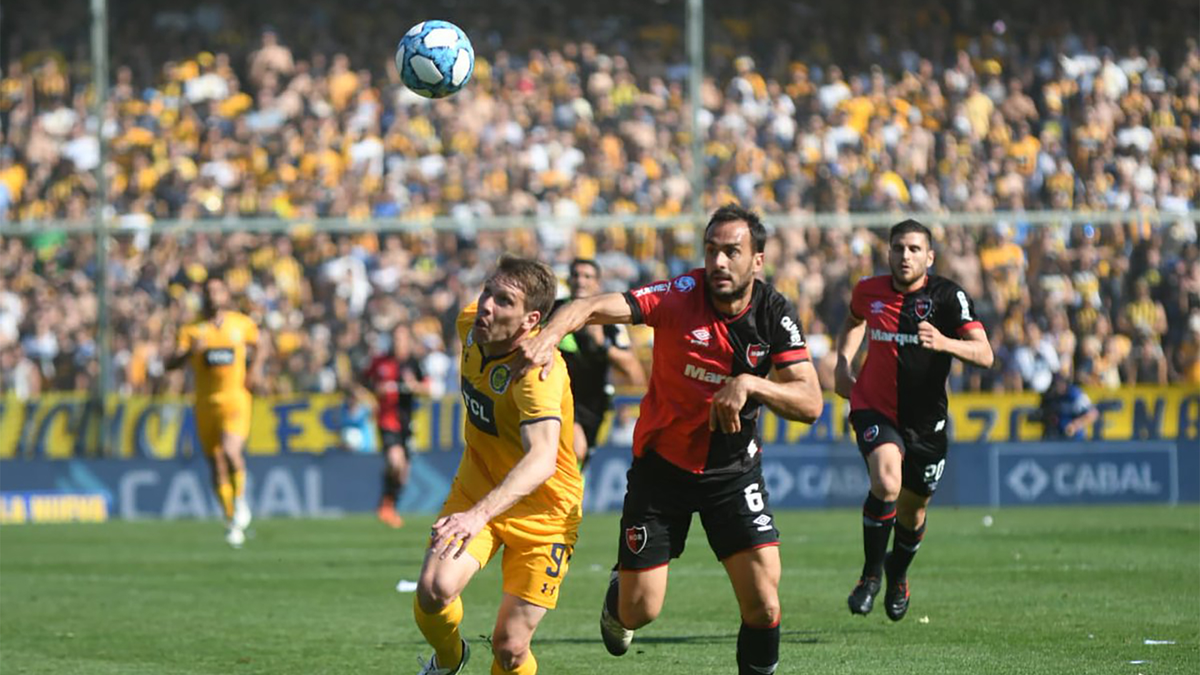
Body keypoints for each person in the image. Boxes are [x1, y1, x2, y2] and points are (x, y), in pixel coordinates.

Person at [520, 204, 823, 675]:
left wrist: (750, 384)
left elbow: (811, 403)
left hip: (733, 472)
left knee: (763, 603)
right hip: (661, 471)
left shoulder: (774, 314)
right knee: (640, 611)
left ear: (757, 261)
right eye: (711, 251)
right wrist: (551, 331)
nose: (718, 262)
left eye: (731, 252)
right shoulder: (680, 293)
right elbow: (592, 306)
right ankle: (618, 598)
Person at [413, 257, 582, 675]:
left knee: (509, 649)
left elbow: (541, 459)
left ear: (531, 320)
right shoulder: (470, 325)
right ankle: (449, 660)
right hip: (478, 485)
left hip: (545, 512)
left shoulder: (537, 375)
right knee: (434, 590)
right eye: (487, 290)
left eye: (503, 301)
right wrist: (476, 510)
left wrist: (477, 516)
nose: (486, 305)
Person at [833, 219, 994, 621]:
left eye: (914, 249)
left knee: (913, 511)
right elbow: (853, 322)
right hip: (875, 407)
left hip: (926, 423)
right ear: (888, 252)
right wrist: (842, 362)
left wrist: (944, 342)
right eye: (899, 248)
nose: (905, 256)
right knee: (886, 481)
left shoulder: (947, 298)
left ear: (929, 256)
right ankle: (869, 576)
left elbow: (985, 354)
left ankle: (897, 574)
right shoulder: (868, 290)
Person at [166, 278, 268, 548]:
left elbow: (261, 345)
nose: (213, 296)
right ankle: (231, 518)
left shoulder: (241, 324)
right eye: (209, 292)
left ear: (226, 294)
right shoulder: (192, 330)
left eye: (218, 291)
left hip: (235, 399)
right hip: (204, 404)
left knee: (231, 451)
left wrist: (255, 370)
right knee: (216, 462)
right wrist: (189, 353)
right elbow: (170, 364)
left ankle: (241, 500)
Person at [555, 259, 646, 467]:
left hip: (593, 403)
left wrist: (602, 345)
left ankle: (570, 500)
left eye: (587, 276)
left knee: (580, 463)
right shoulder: (555, 311)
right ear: (568, 279)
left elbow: (632, 368)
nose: (580, 281)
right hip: (558, 397)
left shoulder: (608, 320)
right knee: (576, 451)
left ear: (597, 284)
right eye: (576, 275)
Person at [362, 324, 430, 528]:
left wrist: (414, 386)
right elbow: (361, 383)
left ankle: (388, 504)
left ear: (408, 340)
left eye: (402, 338)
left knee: (403, 472)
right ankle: (385, 504)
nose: (398, 342)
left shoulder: (414, 363)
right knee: (395, 461)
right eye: (395, 338)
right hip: (386, 420)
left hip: (407, 423)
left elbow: (429, 389)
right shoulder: (380, 362)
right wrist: (374, 391)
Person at [1035, 373, 1098, 440]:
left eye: (1057, 384)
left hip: (1075, 438)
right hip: (1055, 437)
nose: (1056, 387)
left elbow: (1093, 414)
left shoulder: (1075, 395)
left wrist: (1075, 425)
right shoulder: (1050, 396)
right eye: (1054, 384)